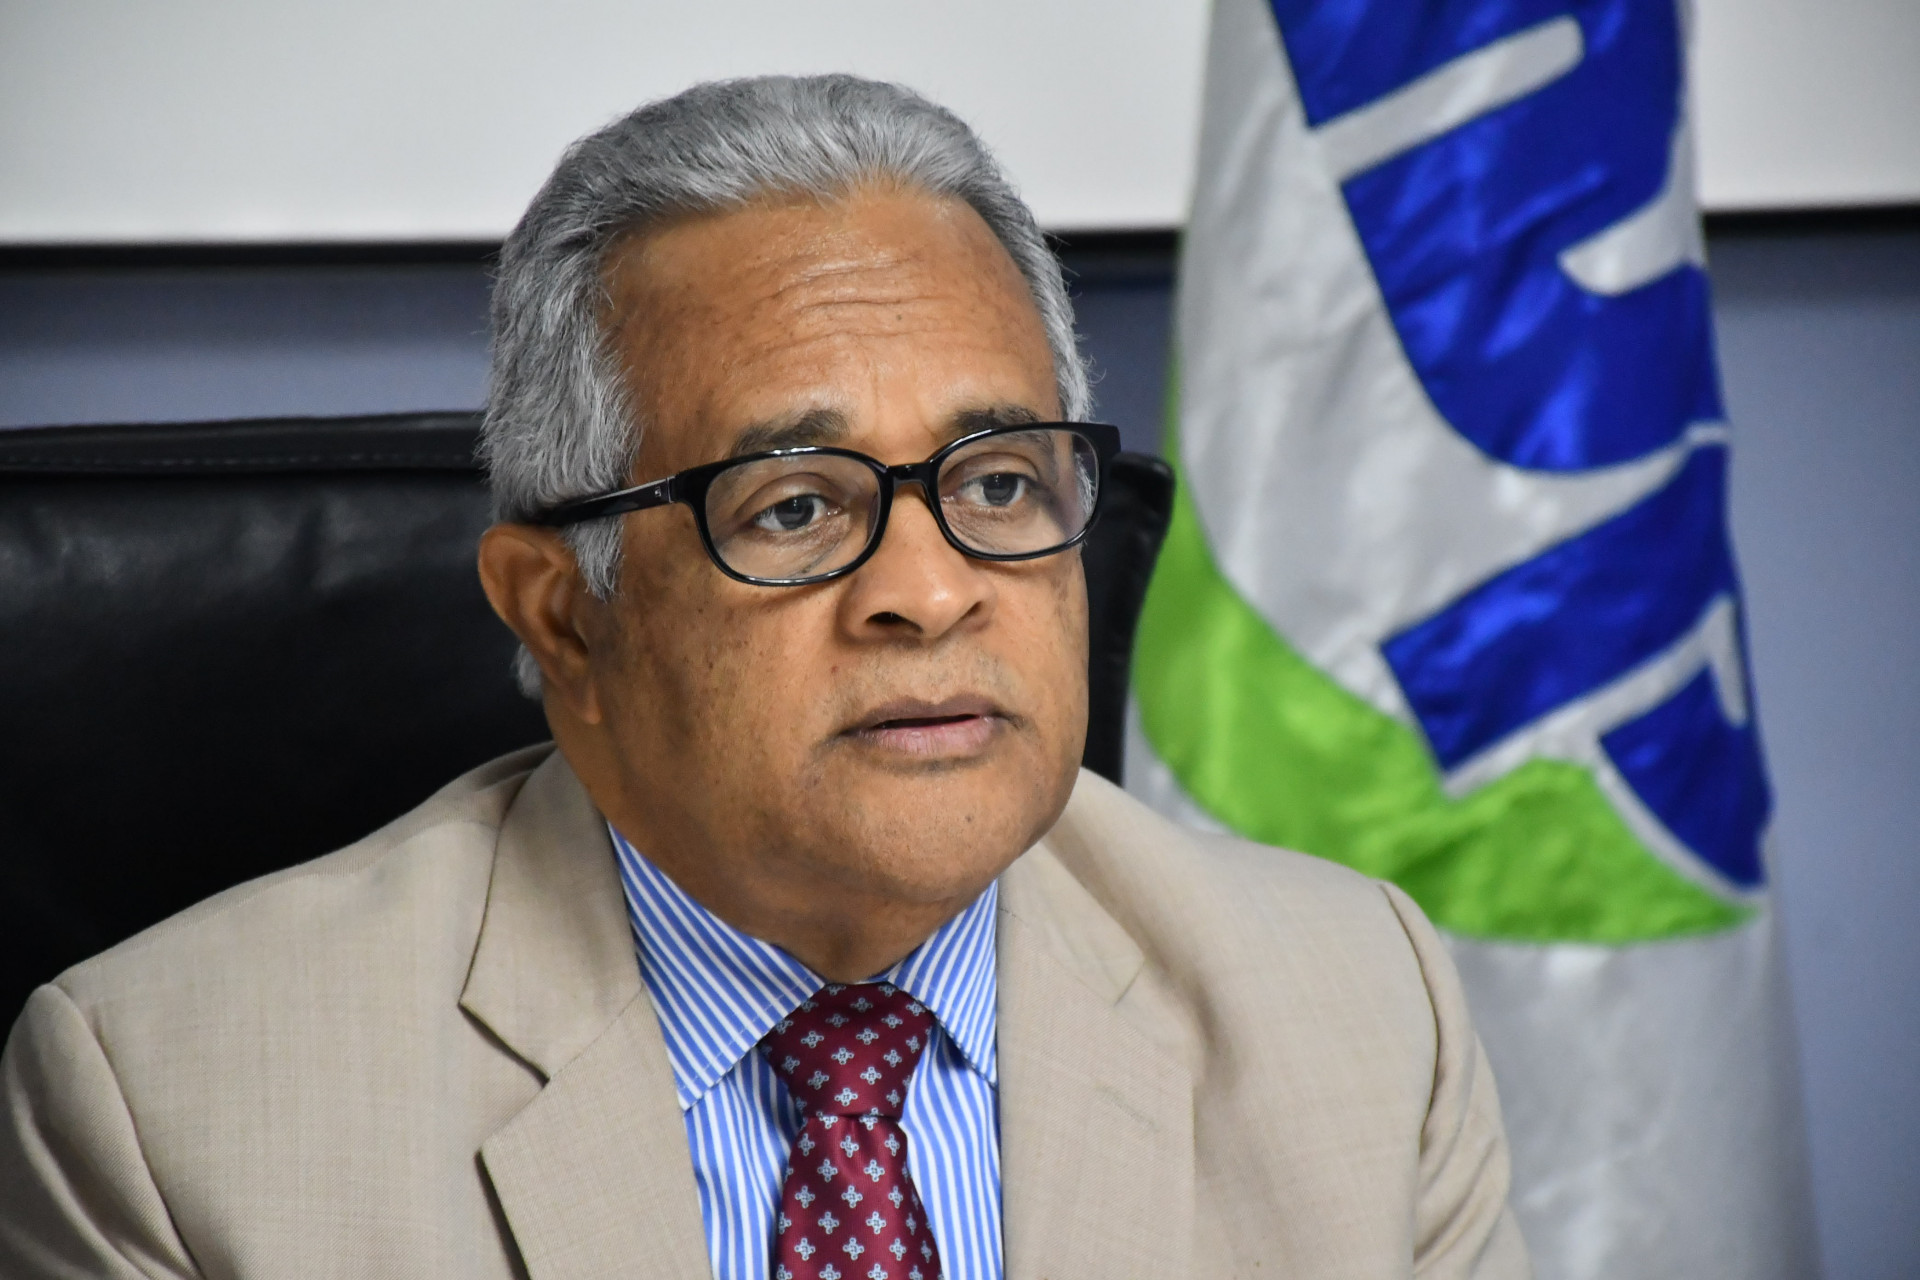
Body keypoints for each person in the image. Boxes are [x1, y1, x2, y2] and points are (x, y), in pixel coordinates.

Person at [0, 76, 1528, 1279]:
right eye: (794, 508)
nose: (931, 591)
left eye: (1000, 482)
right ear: (564, 618)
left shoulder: (1356, 1015)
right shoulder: (174, 1116)